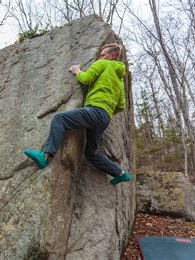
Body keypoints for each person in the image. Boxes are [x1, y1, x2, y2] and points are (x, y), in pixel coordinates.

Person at [24, 43, 131, 186]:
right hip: (104, 118)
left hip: (95, 110)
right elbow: (121, 106)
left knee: (60, 118)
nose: (100, 57)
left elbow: (86, 79)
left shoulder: (103, 64)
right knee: (92, 153)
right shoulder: (119, 80)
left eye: (103, 54)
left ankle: (45, 156)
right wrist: (107, 109)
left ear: (112, 56)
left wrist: (77, 70)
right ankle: (120, 173)